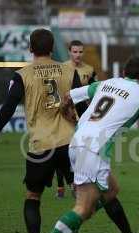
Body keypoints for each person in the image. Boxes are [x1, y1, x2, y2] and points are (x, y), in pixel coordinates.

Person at [0, 29, 139, 233]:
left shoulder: (22, 75)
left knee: (33, 197)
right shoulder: (68, 70)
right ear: (53, 47)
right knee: (95, 194)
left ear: (31, 49)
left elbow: (8, 107)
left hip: (41, 145)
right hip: (71, 143)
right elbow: (82, 103)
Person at [29, 56, 139, 233]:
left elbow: (67, 97)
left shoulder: (106, 83)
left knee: (111, 190)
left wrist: (68, 115)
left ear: (125, 72)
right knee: (83, 207)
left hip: (77, 143)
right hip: (94, 150)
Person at [55, 40, 98, 198]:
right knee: (62, 149)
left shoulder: (89, 70)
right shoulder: (61, 69)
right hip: (64, 114)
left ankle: (76, 182)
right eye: (75, 52)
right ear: (69, 52)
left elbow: (96, 91)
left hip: (82, 115)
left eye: (80, 52)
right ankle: (60, 185)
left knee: (79, 150)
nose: (77, 55)